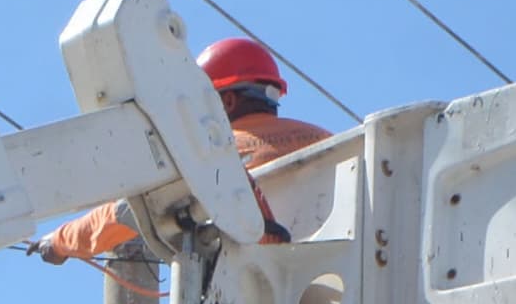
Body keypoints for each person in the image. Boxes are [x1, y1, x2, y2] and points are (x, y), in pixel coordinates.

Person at [34, 35, 330, 264]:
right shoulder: (326, 140)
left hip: (252, 299)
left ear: (225, 102)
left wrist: (60, 241)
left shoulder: (210, 157)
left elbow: (125, 213)